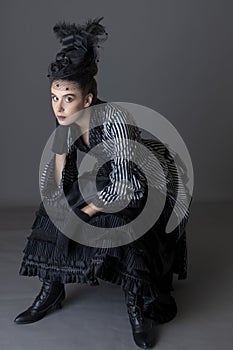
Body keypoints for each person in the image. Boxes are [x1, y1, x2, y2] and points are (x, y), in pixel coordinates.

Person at [14, 17, 192, 349]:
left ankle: (138, 306)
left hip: (142, 180)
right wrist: (58, 203)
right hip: (105, 177)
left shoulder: (116, 121)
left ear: (88, 98)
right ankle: (51, 289)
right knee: (54, 211)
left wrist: (86, 211)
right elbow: (59, 172)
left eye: (68, 98)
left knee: (118, 223)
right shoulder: (63, 120)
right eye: (54, 96)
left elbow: (125, 185)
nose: (59, 105)